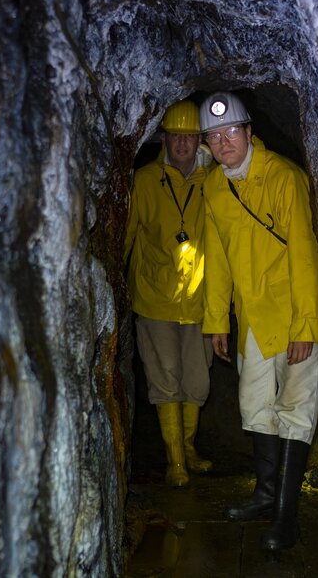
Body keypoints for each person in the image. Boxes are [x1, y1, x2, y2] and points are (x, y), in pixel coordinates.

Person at [199, 91, 318, 550]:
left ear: (249, 133)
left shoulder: (283, 177)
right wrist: (217, 320)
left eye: (230, 132)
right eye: (213, 137)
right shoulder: (215, 187)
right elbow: (215, 258)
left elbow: (304, 255)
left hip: (297, 313)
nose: (223, 143)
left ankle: (286, 516)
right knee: (255, 405)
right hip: (255, 318)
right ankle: (264, 493)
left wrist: (306, 327)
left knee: (296, 412)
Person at [124, 99, 215, 487]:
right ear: (163, 138)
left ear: (199, 141)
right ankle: (174, 459)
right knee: (165, 378)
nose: (182, 144)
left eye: (190, 137)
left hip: (200, 298)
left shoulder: (213, 180)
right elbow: (127, 234)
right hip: (155, 296)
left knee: (196, 379)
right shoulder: (144, 180)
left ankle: (190, 449)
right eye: (175, 136)